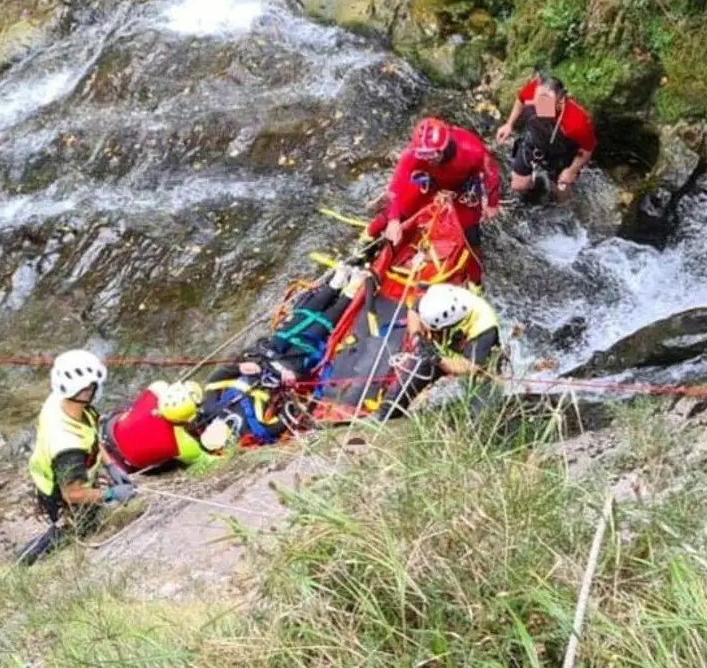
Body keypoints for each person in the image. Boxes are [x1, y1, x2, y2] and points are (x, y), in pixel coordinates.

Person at [198, 264, 363, 445]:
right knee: (315, 333)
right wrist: (291, 386)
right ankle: (350, 291)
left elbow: (215, 378)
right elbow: (289, 417)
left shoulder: (211, 409)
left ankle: (335, 284)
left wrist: (238, 367)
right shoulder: (255, 428)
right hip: (282, 374)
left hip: (262, 362)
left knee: (296, 322)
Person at [19, 349, 137, 565]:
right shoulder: (67, 446)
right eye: (94, 386)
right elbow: (72, 494)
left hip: (60, 472)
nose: (98, 389)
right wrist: (111, 493)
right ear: (84, 390)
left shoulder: (61, 400)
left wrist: (110, 465)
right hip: (57, 492)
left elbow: (89, 434)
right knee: (77, 528)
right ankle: (27, 559)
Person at [361, 118, 501, 285]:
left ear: (444, 147)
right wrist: (393, 219)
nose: (428, 160)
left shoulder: (471, 149)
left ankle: (475, 282)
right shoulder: (412, 154)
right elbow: (396, 187)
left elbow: (491, 173)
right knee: (395, 213)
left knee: (471, 236)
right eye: (423, 155)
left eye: (432, 155)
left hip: (461, 190)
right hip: (429, 182)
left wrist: (492, 203)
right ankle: (365, 242)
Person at [378, 283, 502, 419]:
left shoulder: (485, 326)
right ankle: (387, 416)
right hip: (440, 352)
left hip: (475, 363)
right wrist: (417, 340)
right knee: (405, 387)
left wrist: (437, 360)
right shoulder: (436, 299)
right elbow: (413, 312)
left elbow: (470, 366)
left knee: (479, 411)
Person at [496, 74, 597, 203]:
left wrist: (571, 170)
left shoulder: (577, 122)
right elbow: (520, 100)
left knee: (562, 195)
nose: (538, 107)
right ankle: (535, 190)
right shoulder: (535, 89)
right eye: (536, 102)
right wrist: (509, 124)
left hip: (561, 154)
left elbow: (588, 150)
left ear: (560, 102)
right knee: (518, 186)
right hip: (534, 141)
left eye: (544, 103)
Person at [101, 380, 215, 472]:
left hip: (110, 431)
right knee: (172, 459)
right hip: (129, 464)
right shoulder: (183, 446)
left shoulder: (156, 389)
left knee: (131, 408)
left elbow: (162, 386)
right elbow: (207, 460)